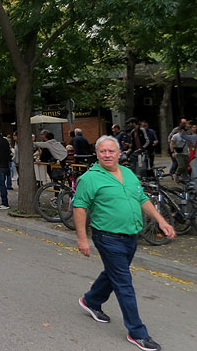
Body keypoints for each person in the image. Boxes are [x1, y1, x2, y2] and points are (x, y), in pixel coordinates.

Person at [73, 135, 175, 351]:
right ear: (97, 154)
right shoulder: (89, 178)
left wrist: (161, 221)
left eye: (111, 151)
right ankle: (137, 332)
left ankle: (91, 300)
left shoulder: (127, 173)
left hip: (131, 236)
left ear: (119, 153)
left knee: (114, 273)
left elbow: (142, 199)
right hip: (108, 237)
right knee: (124, 283)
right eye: (102, 151)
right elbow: (79, 207)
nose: (107, 155)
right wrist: (82, 239)